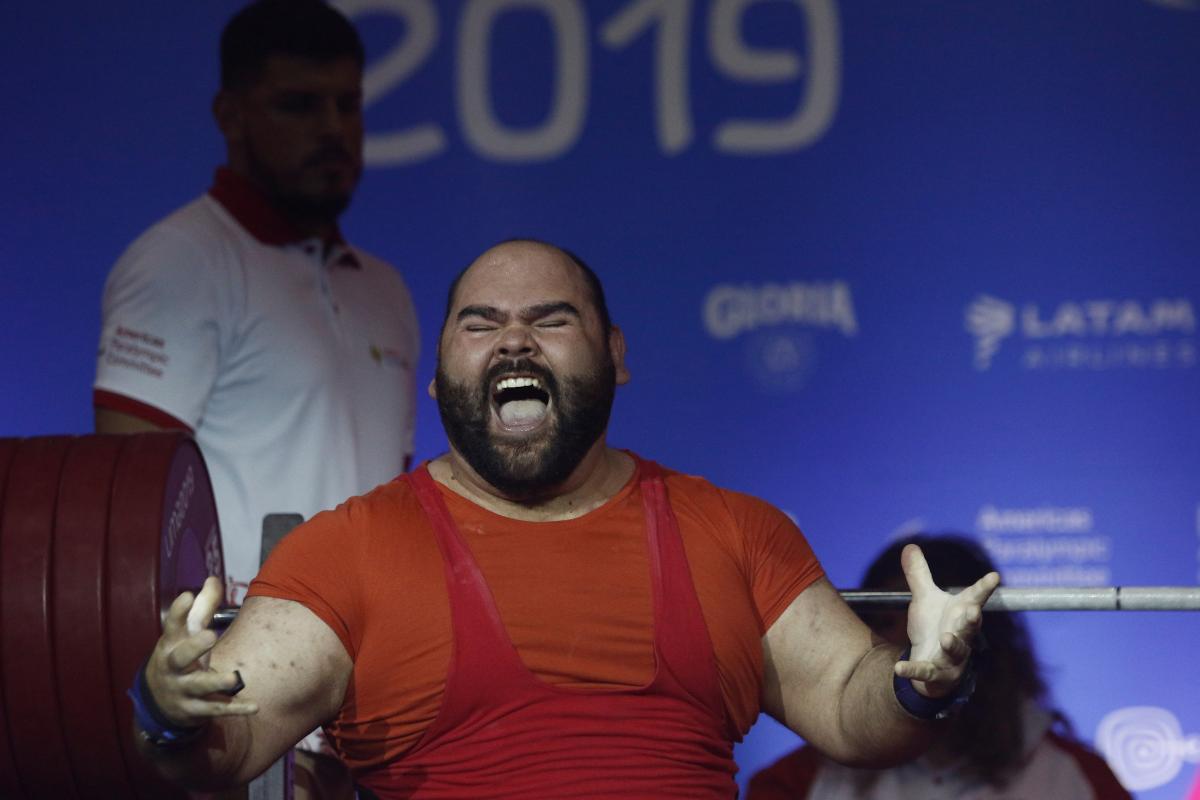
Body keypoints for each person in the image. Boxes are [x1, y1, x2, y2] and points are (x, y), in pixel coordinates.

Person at [131, 239, 999, 798]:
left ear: (615, 357)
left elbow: (853, 713)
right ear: (437, 376)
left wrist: (923, 683)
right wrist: (169, 710)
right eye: (481, 325)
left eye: (551, 319)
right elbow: (223, 747)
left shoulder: (735, 531)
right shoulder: (346, 551)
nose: (515, 343)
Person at [94, 1, 418, 795]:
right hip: (233, 718)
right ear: (229, 114)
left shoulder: (387, 291)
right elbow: (126, 536)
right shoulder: (178, 263)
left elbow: (395, 520)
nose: (333, 129)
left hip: (367, 716)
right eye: (299, 105)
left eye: (348, 104)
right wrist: (214, 704)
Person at [747, 534, 1131, 800]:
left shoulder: (1078, 777)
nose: (919, 653)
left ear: (984, 637)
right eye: (880, 622)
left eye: (939, 627)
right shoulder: (795, 783)